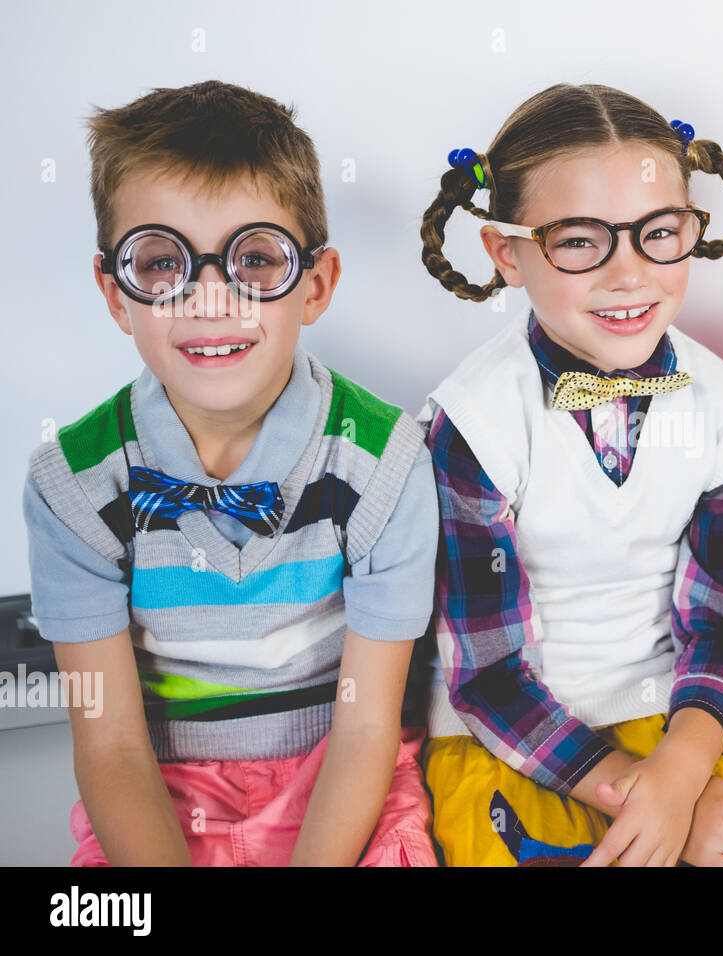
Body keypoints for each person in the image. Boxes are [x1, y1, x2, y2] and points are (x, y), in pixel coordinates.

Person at [22, 80, 438, 866]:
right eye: (161, 263)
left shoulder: (385, 461)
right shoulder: (72, 486)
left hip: (344, 786)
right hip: (161, 795)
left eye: (254, 259)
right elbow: (109, 742)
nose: (211, 299)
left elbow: (366, 726)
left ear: (314, 285)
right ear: (117, 295)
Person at [417, 83, 723, 866]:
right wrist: (642, 799)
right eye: (577, 241)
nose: (628, 274)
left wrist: (680, 776)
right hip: (514, 738)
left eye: (658, 234)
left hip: (687, 724)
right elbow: (488, 675)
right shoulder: (474, 422)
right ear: (508, 252)